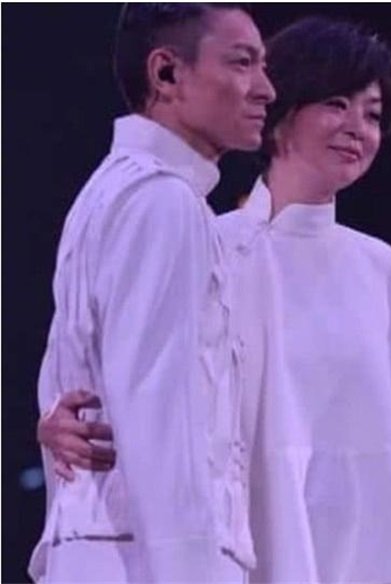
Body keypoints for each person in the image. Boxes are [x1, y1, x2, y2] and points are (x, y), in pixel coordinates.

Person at [38, 15, 391, 583]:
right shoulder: (208, 241)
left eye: (373, 114)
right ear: (282, 111)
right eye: (336, 103)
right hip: (225, 544)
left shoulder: (382, 270)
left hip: (365, 551)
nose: (357, 128)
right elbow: (142, 388)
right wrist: (54, 421)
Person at [29, 3, 275, 583]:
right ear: (166, 73)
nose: (266, 89)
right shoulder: (163, 202)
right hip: (147, 558)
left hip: (106, 549)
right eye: (242, 63)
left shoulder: (114, 191)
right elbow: (160, 414)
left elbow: (65, 389)